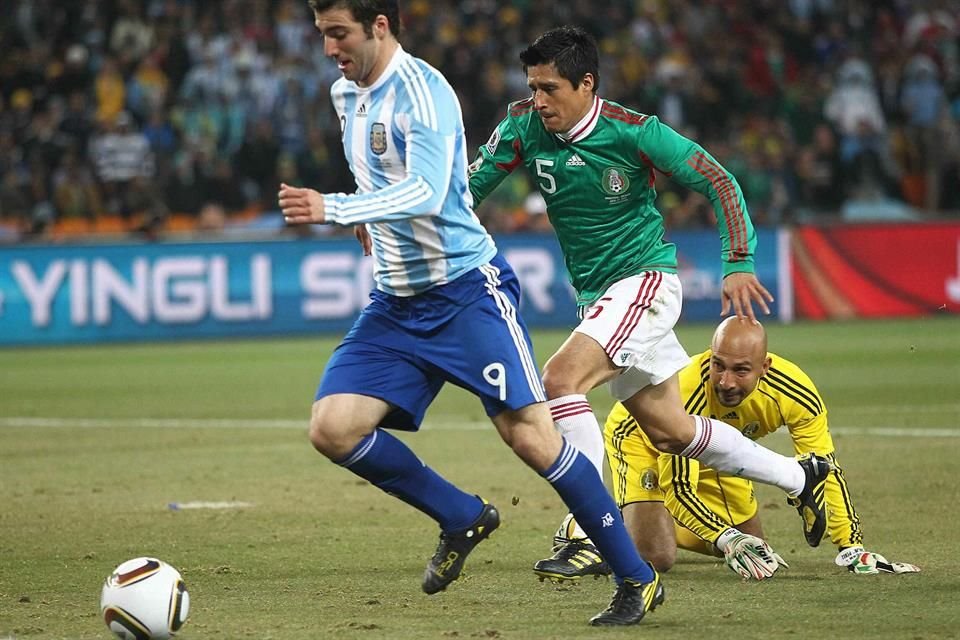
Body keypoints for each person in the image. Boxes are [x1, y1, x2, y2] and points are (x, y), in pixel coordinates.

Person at [278, 1, 663, 626]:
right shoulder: (345, 94)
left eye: (339, 34)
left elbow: (431, 191)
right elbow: (381, 177)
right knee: (333, 428)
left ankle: (635, 576)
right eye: (322, 35)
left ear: (380, 26)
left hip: (464, 293)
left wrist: (340, 208)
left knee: (532, 438)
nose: (329, 49)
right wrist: (369, 222)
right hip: (394, 303)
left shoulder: (425, 93)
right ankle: (460, 514)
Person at [466, 25, 831, 582]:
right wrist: (407, 228)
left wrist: (738, 262)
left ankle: (588, 529)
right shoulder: (522, 126)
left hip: (644, 283)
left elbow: (719, 180)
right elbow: (469, 189)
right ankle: (803, 478)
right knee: (670, 431)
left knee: (561, 381)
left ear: (586, 84)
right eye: (533, 87)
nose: (539, 100)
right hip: (601, 297)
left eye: (550, 89)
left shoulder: (635, 133)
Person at [602, 317, 921, 577]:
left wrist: (851, 547)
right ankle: (598, 523)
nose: (726, 381)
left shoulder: (795, 393)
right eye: (718, 366)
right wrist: (726, 538)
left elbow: (823, 468)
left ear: (764, 367)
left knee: (755, 547)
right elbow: (681, 488)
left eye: (741, 370)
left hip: (723, 449)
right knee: (658, 556)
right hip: (641, 437)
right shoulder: (688, 391)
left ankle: (646, 520)